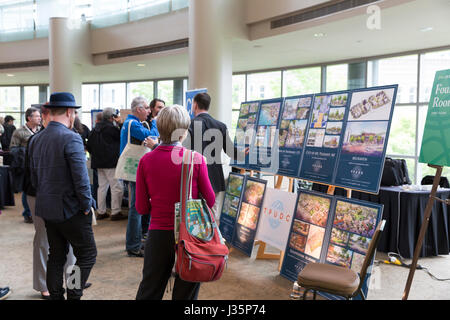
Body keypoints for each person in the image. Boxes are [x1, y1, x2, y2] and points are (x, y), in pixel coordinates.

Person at [135, 105, 215, 300]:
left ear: (159, 129)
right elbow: (210, 200)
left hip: (158, 233)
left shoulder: (146, 161)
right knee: (186, 293)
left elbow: (142, 208)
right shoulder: (195, 159)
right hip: (190, 233)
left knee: (150, 289)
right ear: (184, 132)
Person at [28, 92, 97, 300]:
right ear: (69, 112)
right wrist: (86, 205)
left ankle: (57, 296)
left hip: (47, 208)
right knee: (86, 254)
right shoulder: (72, 138)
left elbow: (33, 178)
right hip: (72, 209)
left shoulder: (35, 139)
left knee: (56, 256)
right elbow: (81, 179)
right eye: (74, 112)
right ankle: (74, 293)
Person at [24, 105, 77, 300]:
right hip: (41, 195)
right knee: (45, 240)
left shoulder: (68, 136)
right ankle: (45, 285)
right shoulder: (36, 139)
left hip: (58, 197)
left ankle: (72, 282)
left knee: (68, 243)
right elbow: (30, 173)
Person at [184, 92, 246, 219]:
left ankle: (196, 239)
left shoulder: (189, 124)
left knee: (194, 216)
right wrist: (242, 155)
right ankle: (212, 237)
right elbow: (230, 151)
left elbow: (183, 150)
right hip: (214, 178)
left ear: (195, 105)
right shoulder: (220, 126)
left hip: (194, 176)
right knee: (211, 214)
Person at [120, 97, 156, 257]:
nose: (149, 111)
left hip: (134, 171)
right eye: (147, 108)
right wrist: (155, 123)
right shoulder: (133, 124)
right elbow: (152, 137)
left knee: (138, 206)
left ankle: (137, 240)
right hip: (134, 172)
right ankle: (133, 245)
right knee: (136, 207)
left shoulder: (131, 123)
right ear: (138, 109)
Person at [87, 107, 126, 221]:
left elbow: (89, 146)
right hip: (111, 162)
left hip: (98, 163)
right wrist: (120, 123)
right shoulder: (112, 128)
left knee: (102, 187)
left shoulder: (95, 129)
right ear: (112, 117)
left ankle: (101, 211)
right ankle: (115, 212)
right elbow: (122, 139)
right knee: (116, 187)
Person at [10, 107, 41, 224]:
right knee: (27, 189)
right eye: (37, 116)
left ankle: (36, 212)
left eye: (40, 116)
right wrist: (25, 151)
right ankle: (27, 213)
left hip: (39, 165)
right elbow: (13, 149)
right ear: (29, 118)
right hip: (25, 166)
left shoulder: (41, 130)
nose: (40, 118)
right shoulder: (19, 132)